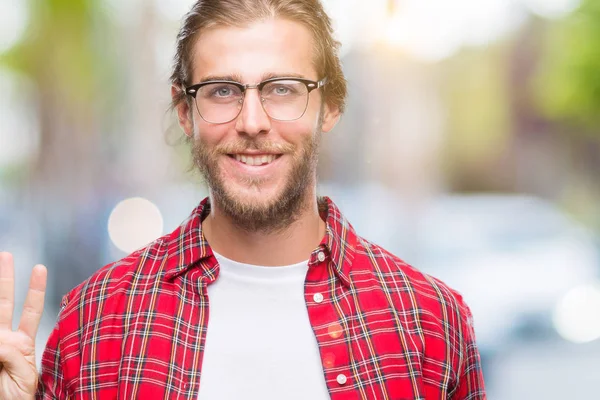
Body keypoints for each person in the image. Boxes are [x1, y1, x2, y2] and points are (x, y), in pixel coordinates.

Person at [0, 0, 486, 398]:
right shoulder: (96, 318)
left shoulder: (431, 321)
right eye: (222, 91)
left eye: (282, 89)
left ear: (331, 105)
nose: (252, 121)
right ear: (185, 111)